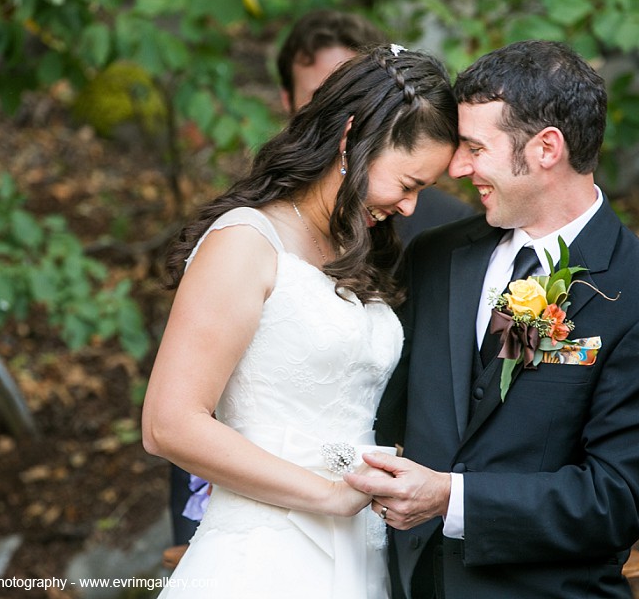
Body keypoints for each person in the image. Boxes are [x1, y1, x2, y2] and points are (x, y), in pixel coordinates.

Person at [345, 40, 639, 598]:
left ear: (545, 149)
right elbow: (381, 408)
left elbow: (617, 500)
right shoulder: (435, 256)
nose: (459, 168)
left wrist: (451, 498)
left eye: (475, 147)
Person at [142, 45, 459, 598]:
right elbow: (169, 424)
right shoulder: (246, 241)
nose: (410, 208)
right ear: (351, 139)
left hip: (360, 551)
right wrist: (328, 494)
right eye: (407, 184)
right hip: (265, 555)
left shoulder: (356, 248)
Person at [276, 9, 475, 246]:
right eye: (323, 92)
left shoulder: (446, 220)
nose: (337, 104)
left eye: (356, 89)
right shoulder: (255, 229)